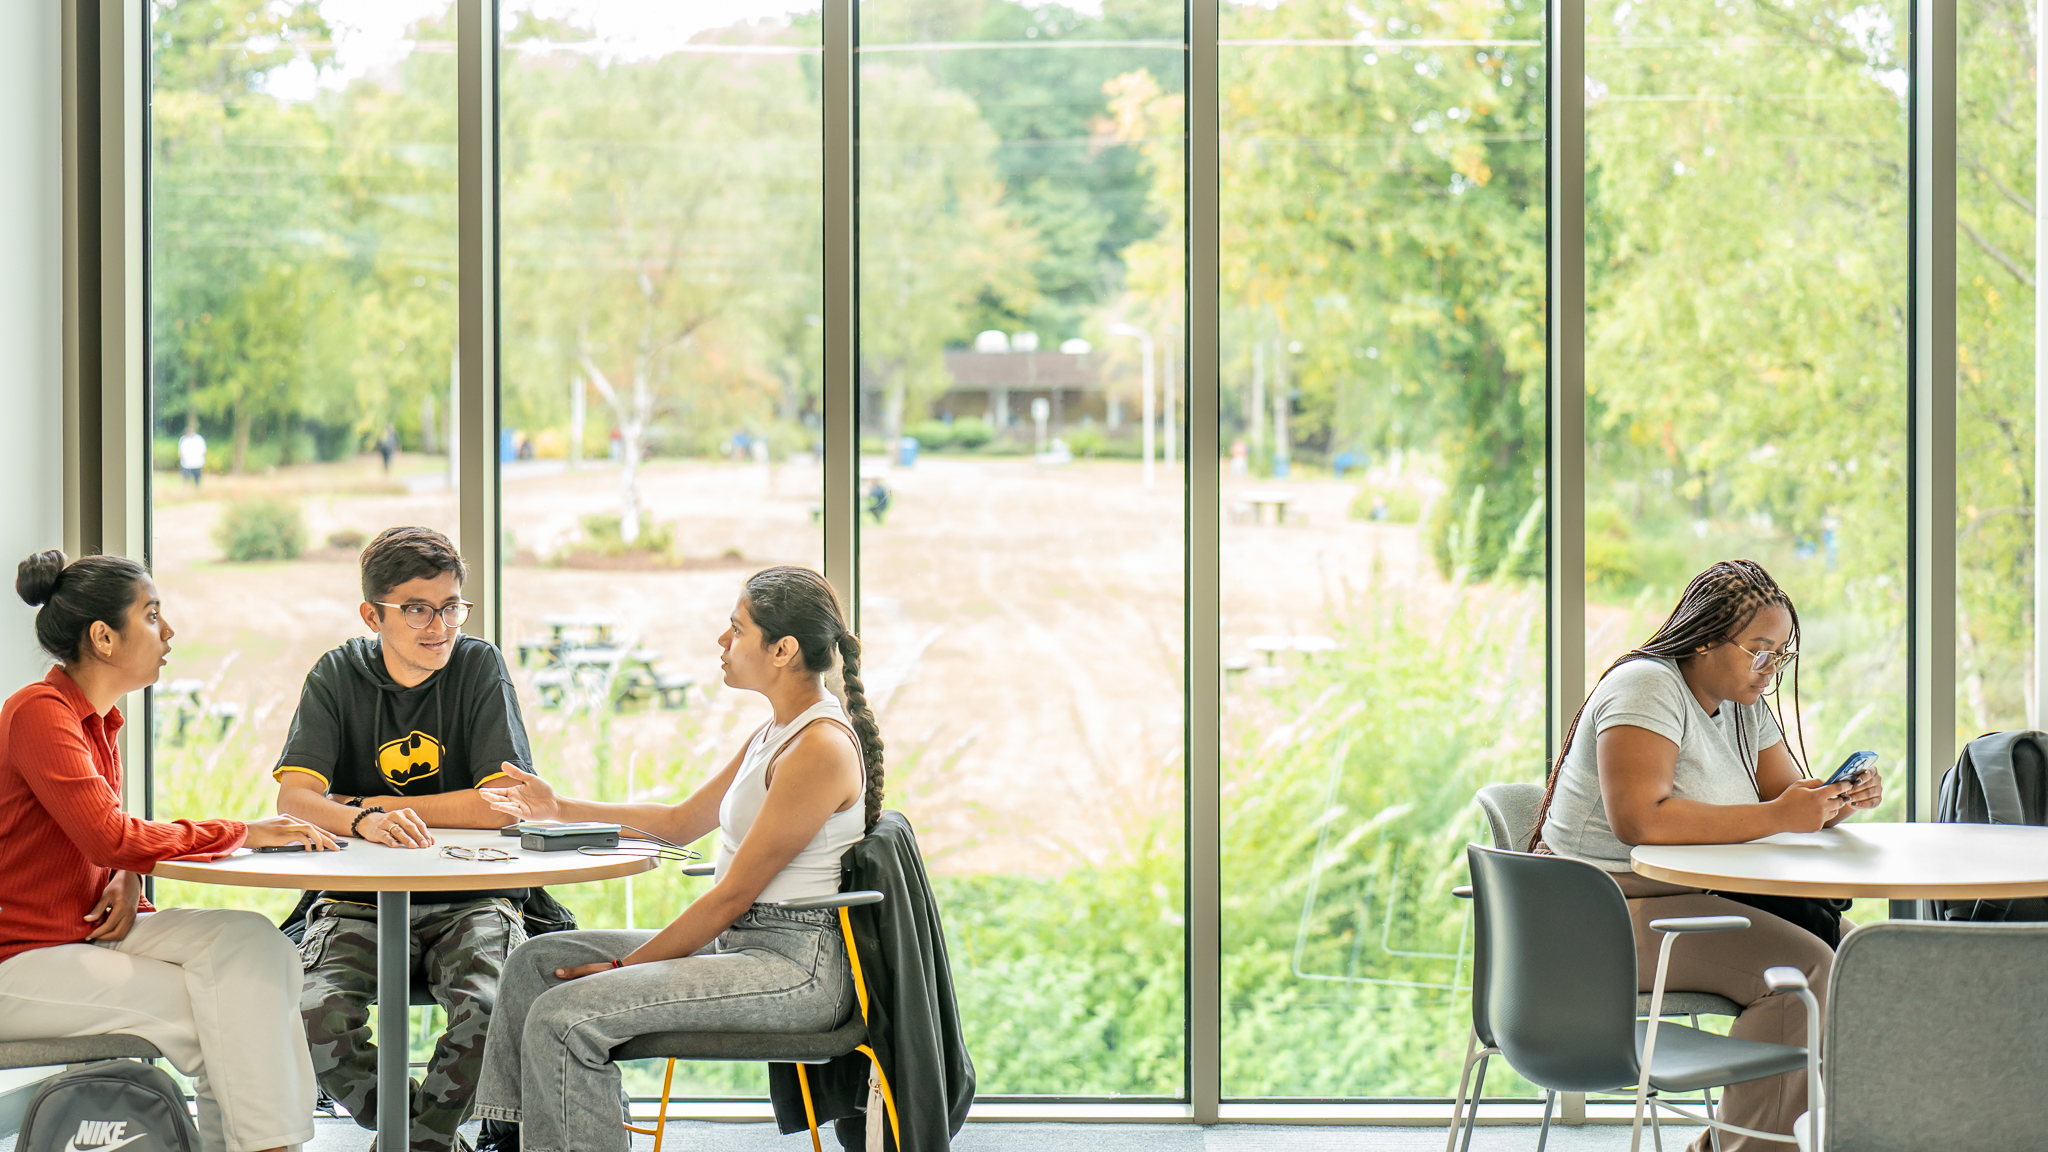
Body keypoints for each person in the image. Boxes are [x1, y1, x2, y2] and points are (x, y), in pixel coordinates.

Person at [469, 566, 884, 1152]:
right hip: (747, 945)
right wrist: (558, 807)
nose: (722, 641)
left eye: (736, 630)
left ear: (783, 650)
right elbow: (681, 821)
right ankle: (511, 1140)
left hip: (796, 968)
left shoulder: (819, 747)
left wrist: (624, 969)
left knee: (564, 1019)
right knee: (536, 961)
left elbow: (732, 896)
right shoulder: (778, 729)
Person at [1534, 559, 1884, 1152]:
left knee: (1858, 955)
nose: (1771, 669)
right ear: (1703, 640)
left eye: (1781, 653)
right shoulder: (1646, 686)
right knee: (1805, 971)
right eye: (1759, 650)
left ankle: (1786, 1138)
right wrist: (1781, 816)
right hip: (1594, 918)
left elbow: (1782, 796)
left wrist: (1833, 801)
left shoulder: (1743, 702)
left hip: (1678, 900)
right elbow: (1640, 818)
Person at [0, 549, 335, 1152]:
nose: (169, 631)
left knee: (258, 949)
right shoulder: (38, 715)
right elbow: (111, 835)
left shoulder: (99, 721)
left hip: (86, 930)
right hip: (20, 960)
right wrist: (245, 830)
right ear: (104, 637)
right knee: (226, 1015)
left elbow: (107, 838)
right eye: (152, 615)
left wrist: (127, 878)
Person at [272, 526, 537, 1152]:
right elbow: (295, 799)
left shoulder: (479, 665)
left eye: (450, 606)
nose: (438, 625)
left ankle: (416, 1142)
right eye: (416, 609)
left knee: (492, 1007)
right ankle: (423, 1134)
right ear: (373, 614)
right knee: (312, 1013)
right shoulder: (337, 674)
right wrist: (363, 823)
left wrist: (372, 802)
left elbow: (504, 804)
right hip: (356, 902)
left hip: (471, 901)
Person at [178, 423, 207, 488]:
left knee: (197, 479)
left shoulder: (199, 439)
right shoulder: (183, 439)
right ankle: (186, 489)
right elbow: (180, 452)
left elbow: (203, 451)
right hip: (186, 464)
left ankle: (197, 489)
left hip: (197, 463)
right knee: (185, 479)